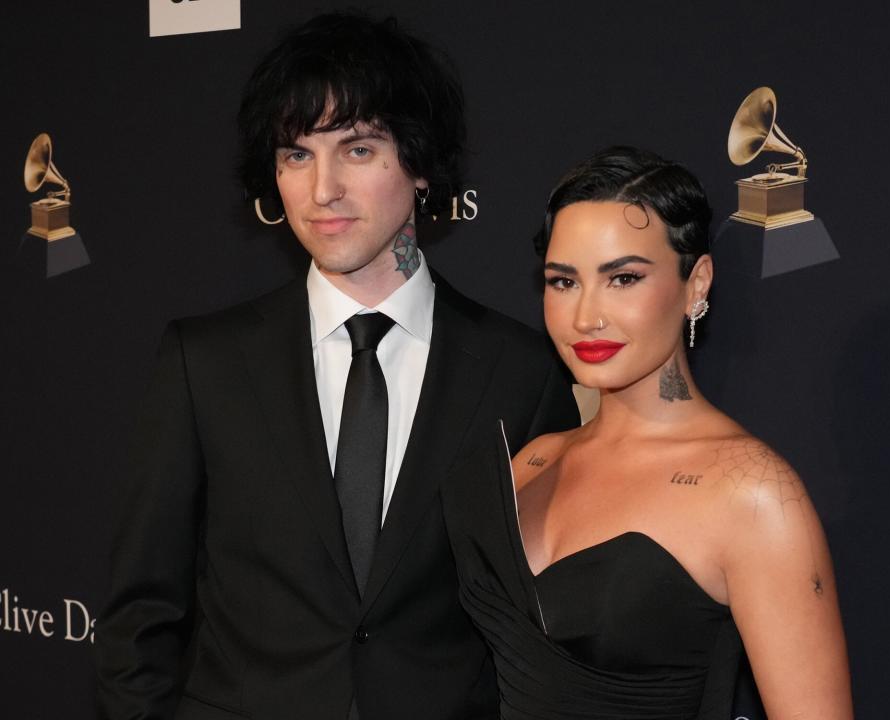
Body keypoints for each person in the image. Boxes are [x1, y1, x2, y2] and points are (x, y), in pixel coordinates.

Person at [94, 12, 580, 720]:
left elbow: (539, 636)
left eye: (356, 149)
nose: (321, 189)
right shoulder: (206, 362)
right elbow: (139, 618)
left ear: (418, 164)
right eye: (295, 154)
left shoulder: (518, 371)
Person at [442, 147, 854, 719]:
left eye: (624, 278)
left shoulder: (751, 492)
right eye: (563, 282)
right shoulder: (534, 460)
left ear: (697, 283)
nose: (586, 316)